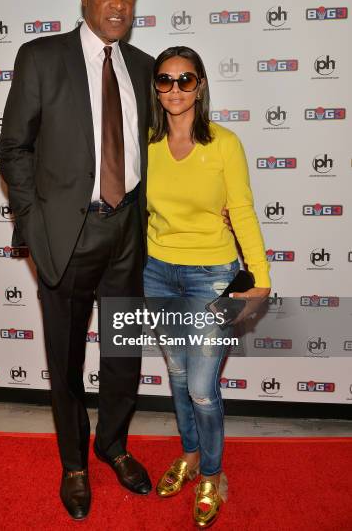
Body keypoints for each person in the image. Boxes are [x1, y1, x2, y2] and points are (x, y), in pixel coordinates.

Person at [0, 0, 154, 520]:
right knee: (65, 362)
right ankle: (74, 464)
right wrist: (30, 226)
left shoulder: (143, 65)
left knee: (122, 355)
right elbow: (13, 148)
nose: (119, 4)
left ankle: (112, 445)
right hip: (67, 233)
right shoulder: (41, 58)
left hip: (128, 234)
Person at [143, 46, 271, 527]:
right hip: (156, 272)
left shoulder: (224, 143)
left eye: (186, 79)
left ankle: (213, 475)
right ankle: (191, 455)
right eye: (165, 79)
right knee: (177, 375)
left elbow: (241, 210)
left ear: (200, 86)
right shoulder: (146, 144)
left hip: (211, 276)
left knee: (201, 387)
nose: (175, 89)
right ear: (155, 87)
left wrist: (258, 275)